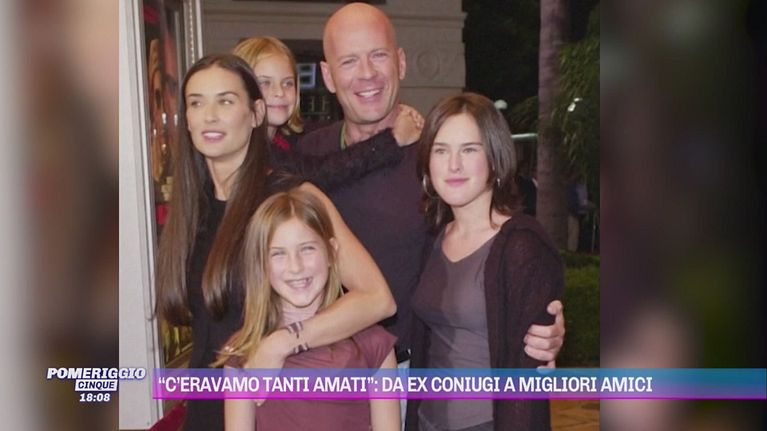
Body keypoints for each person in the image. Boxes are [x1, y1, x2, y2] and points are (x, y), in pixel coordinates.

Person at [296, 2, 564, 369]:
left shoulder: (439, 164)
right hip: (321, 371)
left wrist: (539, 320)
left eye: (378, 55)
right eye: (349, 61)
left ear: (401, 62)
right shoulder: (308, 156)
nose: (367, 73)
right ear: (327, 76)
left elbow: (495, 250)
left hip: (413, 373)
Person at [155, 53, 413, 431]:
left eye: (225, 101)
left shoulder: (290, 197)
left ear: (256, 113)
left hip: (275, 409)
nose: (209, 115)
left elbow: (377, 298)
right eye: (197, 103)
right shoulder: (192, 210)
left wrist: (283, 342)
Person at [408, 92, 563, 431]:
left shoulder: (522, 247)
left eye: (469, 150)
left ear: (494, 158)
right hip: (425, 421)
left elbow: (529, 375)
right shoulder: (433, 238)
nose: (454, 165)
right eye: (441, 150)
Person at [219, 189, 400, 431]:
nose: (295, 267)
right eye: (278, 253)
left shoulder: (373, 343)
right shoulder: (244, 351)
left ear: (331, 252)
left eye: (307, 249)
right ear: (260, 263)